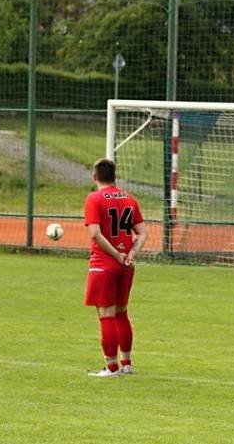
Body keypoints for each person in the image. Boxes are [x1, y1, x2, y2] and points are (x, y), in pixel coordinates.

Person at [83, 158, 148, 377]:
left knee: (106, 315)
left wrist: (116, 254)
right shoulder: (129, 199)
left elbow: (95, 234)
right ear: (114, 177)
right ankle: (127, 363)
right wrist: (130, 254)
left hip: (104, 265)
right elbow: (142, 233)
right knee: (122, 313)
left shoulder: (93, 199)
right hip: (126, 267)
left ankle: (111, 367)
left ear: (95, 177)